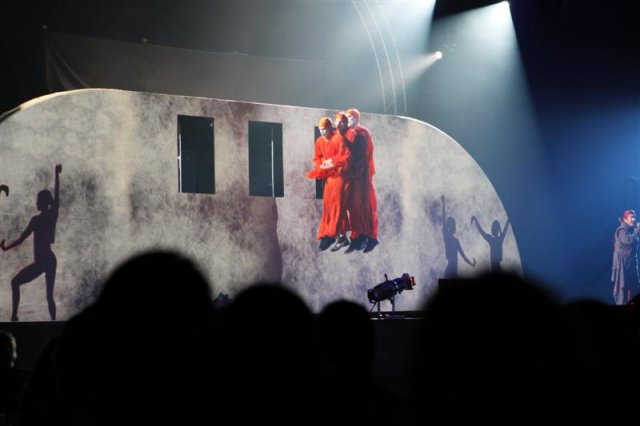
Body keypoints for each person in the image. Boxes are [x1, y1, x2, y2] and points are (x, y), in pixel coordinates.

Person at [1, 164, 61, 321]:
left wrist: (57, 175)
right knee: (48, 295)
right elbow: (21, 239)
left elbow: (57, 196)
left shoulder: (43, 218)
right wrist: (6, 248)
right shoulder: (45, 218)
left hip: (45, 261)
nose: (36, 202)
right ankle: (17, 317)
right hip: (47, 260)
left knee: (20, 284)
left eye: (38, 200)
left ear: (44, 202)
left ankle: (15, 316)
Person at [307, 117, 350, 251]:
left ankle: (332, 234)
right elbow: (317, 157)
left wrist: (331, 162)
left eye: (324, 129)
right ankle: (341, 237)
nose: (322, 132)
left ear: (330, 128)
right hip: (329, 177)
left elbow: (345, 156)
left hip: (340, 176)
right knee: (328, 205)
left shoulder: (338, 138)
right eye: (320, 130)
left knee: (337, 205)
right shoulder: (319, 141)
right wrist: (322, 165)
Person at [343, 108, 379, 253]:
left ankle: (368, 238)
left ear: (357, 119)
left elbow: (362, 154)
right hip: (354, 176)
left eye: (351, 118)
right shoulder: (348, 132)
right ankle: (358, 238)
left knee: (365, 207)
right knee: (354, 208)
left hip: (362, 176)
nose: (348, 121)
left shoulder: (363, 132)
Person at [441, 195, 475, 278]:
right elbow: (443, 217)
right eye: (452, 225)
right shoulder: (447, 237)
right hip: (451, 268)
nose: (453, 226)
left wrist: (471, 264)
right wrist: (444, 203)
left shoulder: (455, 241)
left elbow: (463, 256)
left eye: (453, 225)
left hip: (453, 269)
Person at [611, 209, 640, 305]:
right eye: (632, 217)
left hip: (630, 262)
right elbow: (628, 241)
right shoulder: (621, 230)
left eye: (634, 217)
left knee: (633, 285)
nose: (634, 219)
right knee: (623, 287)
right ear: (625, 219)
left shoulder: (631, 229)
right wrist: (637, 231)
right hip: (622, 264)